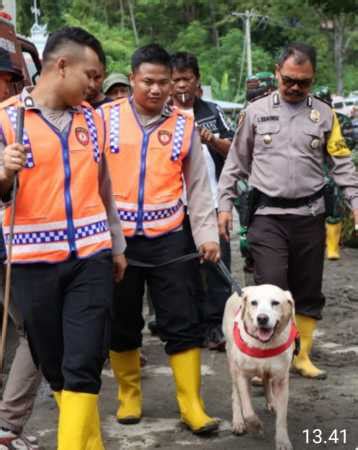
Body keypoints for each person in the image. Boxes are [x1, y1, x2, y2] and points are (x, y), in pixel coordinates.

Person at [0, 27, 127, 449]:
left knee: (84, 362)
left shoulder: (94, 119)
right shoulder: (6, 119)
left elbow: (104, 187)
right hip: (31, 265)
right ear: (61, 65)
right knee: (55, 367)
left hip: (90, 258)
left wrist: (117, 244)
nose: (95, 86)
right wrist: (3, 173)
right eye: (90, 75)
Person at [218, 42, 358, 380]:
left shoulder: (324, 115)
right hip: (267, 216)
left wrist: (355, 201)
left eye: (304, 82)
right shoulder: (255, 112)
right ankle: (263, 358)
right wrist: (223, 204)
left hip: (310, 216)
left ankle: (300, 354)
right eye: (289, 80)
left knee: (308, 289)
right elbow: (235, 162)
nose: (295, 87)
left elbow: (341, 164)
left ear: (313, 80)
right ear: (277, 72)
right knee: (270, 289)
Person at [100, 44, 220, 435]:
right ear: (131, 78)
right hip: (117, 242)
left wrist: (206, 235)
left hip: (171, 239)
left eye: (163, 82)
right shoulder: (104, 118)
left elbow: (199, 187)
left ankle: (192, 405)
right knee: (122, 322)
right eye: (147, 81)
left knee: (182, 321)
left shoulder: (185, 125)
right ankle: (129, 397)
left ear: (174, 83)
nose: (155, 89)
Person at [170, 51, 234, 351]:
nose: (181, 85)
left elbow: (234, 152)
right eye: (176, 80)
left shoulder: (212, 111)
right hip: (173, 209)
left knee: (218, 268)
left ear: (198, 81)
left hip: (212, 205)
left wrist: (211, 139)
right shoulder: (162, 114)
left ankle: (217, 327)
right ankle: (192, 327)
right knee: (183, 272)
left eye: (187, 79)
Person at [0, 49, 42, 450]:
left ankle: (6, 425)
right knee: (33, 333)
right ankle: (7, 426)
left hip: (15, 246)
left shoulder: (21, 121)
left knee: (30, 331)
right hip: (8, 246)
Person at [314, 85, 355, 260]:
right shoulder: (307, 118)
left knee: (334, 207)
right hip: (313, 171)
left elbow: (349, 143)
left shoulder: (341, 120)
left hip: (333, 169)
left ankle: (332, 248)